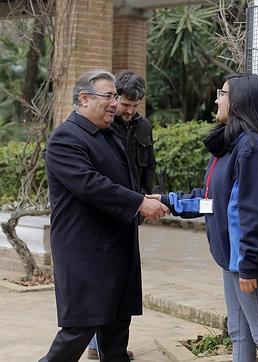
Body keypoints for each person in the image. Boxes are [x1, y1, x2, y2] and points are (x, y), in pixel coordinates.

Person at [155, 74, 258, 362]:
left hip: (246, 262)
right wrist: (170, 201)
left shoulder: (253, 147)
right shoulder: (231, 145)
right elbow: (213, 201)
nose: (217, 99)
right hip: (233, 260)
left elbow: (257, 211)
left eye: (223, 93)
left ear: (240, 100)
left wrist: (249, 265)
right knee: (240, 333)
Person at [40, 69, 168, 362]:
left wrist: (144, 198)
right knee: (79, 330)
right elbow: (91, 185)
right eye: (109, 96)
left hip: (117, 248)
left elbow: (122, 181)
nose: (115, 103)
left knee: (116, 331)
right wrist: (138, 203)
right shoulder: (65, 139)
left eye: (115, 96)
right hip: (86, 252)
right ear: (84, 99)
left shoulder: (107, 134)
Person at [86, 70, 155, 360]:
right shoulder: (102, 126)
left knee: (124, 284)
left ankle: (113, 346)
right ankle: (94, 344)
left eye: (134, 105)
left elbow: (148, 166)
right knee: (100, 283)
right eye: (125, 103)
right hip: (105, 213)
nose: (128, 110)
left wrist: (149, 198)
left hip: (133, 211)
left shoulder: (143, 127)